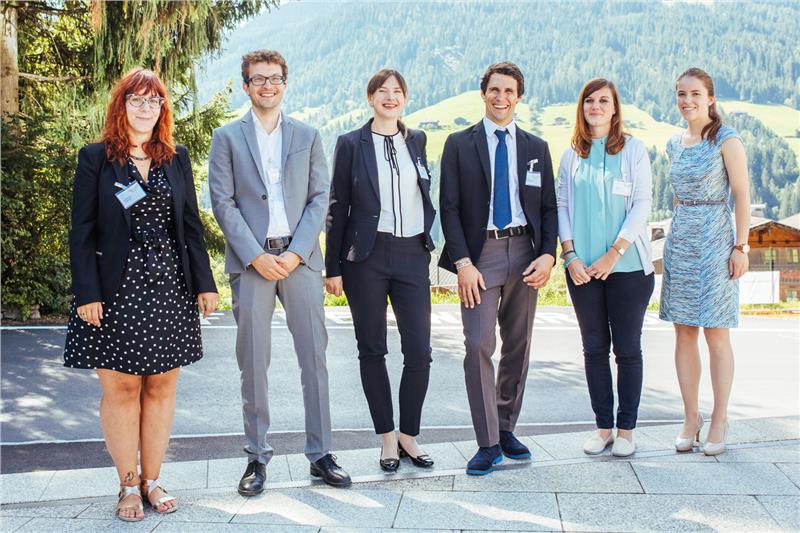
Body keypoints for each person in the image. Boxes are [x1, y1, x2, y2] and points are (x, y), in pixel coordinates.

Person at [63, 67, 219, 521]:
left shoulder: (176, 157)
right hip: (114, 288)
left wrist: (204, 282)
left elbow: (190, 225)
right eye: (137, 99)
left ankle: (152, 480)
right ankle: (127, 485)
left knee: (162, 385)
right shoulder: (96, 158)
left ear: (161, 109)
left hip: (169, 284)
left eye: (154, 100)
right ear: (122, 106)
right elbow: (81, 231)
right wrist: (87, 293)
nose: (145, 107)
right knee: (122, 387)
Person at [208, 49, 351, 495]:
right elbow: (222, 202)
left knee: (314, 359)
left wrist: (295, 253)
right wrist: (255, 256)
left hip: (300, 261)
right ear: (246, 86)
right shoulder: (226, 138)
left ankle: (321, 454)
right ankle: (256, 457)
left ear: (284, 84)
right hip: (252, 264)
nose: (267, 85)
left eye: (274, 78)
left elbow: (320, 197)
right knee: (253, 363)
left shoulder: (307, 135)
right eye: (258, 79)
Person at [438, 62, 558, 475]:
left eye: (509, 91)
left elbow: (549, 207)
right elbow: (449, 208)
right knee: (477, 344)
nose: (501, 97)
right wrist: (463, 263)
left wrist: (548, 255)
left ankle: (505, 428)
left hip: (526, 252)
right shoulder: (459, 143)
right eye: (494, 90)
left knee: (518, 345)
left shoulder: (536, 147)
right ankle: (487, 442)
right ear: (483, 93)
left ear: (519, 97)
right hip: (481, 255)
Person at [325, 69, 437, 472]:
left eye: (397, 91)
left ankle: (410, 435)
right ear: (370, 98)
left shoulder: (417, 140)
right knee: (372, 349)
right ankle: (388, 438)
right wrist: (332, 267)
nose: (391, 97)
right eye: (383, 91)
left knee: (419, 351)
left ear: (404, 98)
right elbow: (337, 206)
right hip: (366, 258)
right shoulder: (350, 143)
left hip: (412, 253)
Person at [557, 78, 655, 458]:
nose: (595, 107)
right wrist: (569, 255)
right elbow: (562, 206)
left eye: (603, 101)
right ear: (582, 108)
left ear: (615, 109)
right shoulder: (571, 155)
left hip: (627, 268)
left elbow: (642, 203)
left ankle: (626, 430)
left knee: (627, 350)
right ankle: (603, 428)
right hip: (582, 270)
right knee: (594, 349)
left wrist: (615, 253)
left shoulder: (633, 150)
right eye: (589, 101)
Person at [660, 68, 750, 456]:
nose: (687, 101)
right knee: (683, 332)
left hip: (717, 240)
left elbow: (742, 195)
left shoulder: (727, 138)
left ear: (710, 98)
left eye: (695, 93)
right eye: (681, 94)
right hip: (681, 240)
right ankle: (690, 417)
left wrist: (741, 247)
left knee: (716, 333)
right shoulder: (673, 143)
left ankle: (720, 418)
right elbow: (676, 195)